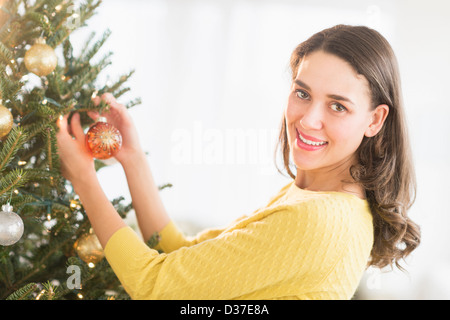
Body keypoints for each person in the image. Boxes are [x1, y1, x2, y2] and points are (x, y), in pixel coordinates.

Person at [56, 24, 420, 300]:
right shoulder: (311, 196)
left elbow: (155, 286)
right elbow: (182, 252)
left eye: (338, 105)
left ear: (374, 120)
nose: (309, 119)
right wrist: (132, 159)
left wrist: (84, 179)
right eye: (302, 93)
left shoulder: (319, 219)